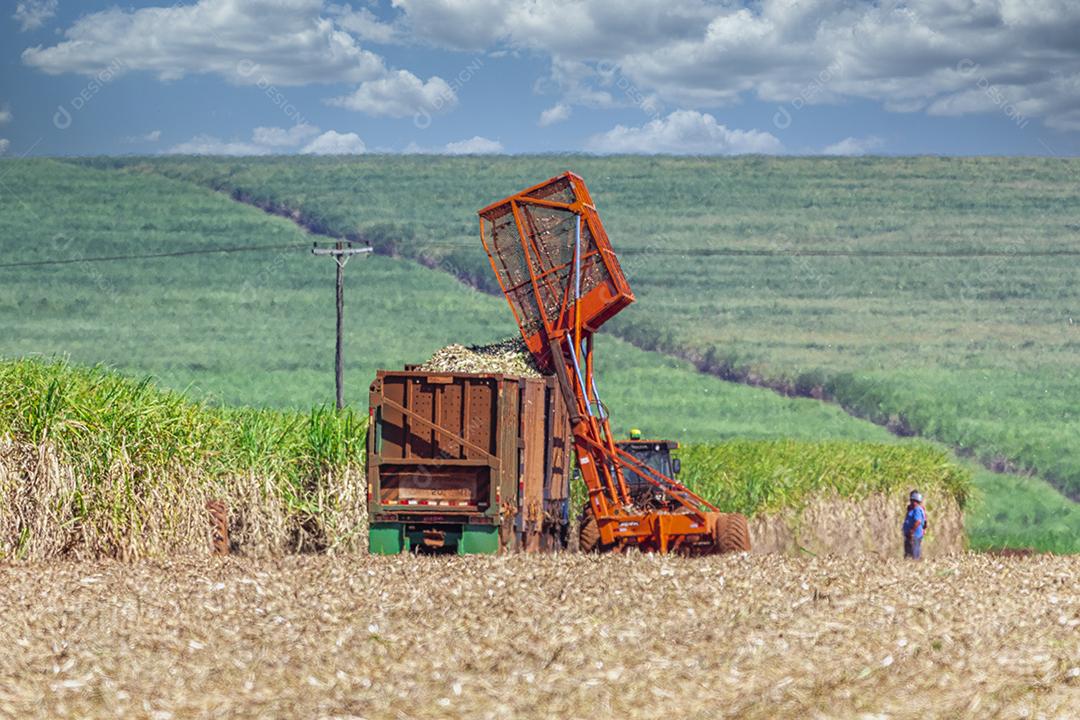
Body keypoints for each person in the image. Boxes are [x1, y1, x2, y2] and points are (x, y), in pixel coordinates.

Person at [903, 490, 926, 560]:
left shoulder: (917, 510)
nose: (912, 502)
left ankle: (915, 563)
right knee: (909, 550)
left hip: (914, 534)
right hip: (911, 534)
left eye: (913, 501)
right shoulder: (912, 509)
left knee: (914, 551)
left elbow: (918, 521)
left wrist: (912, 531)